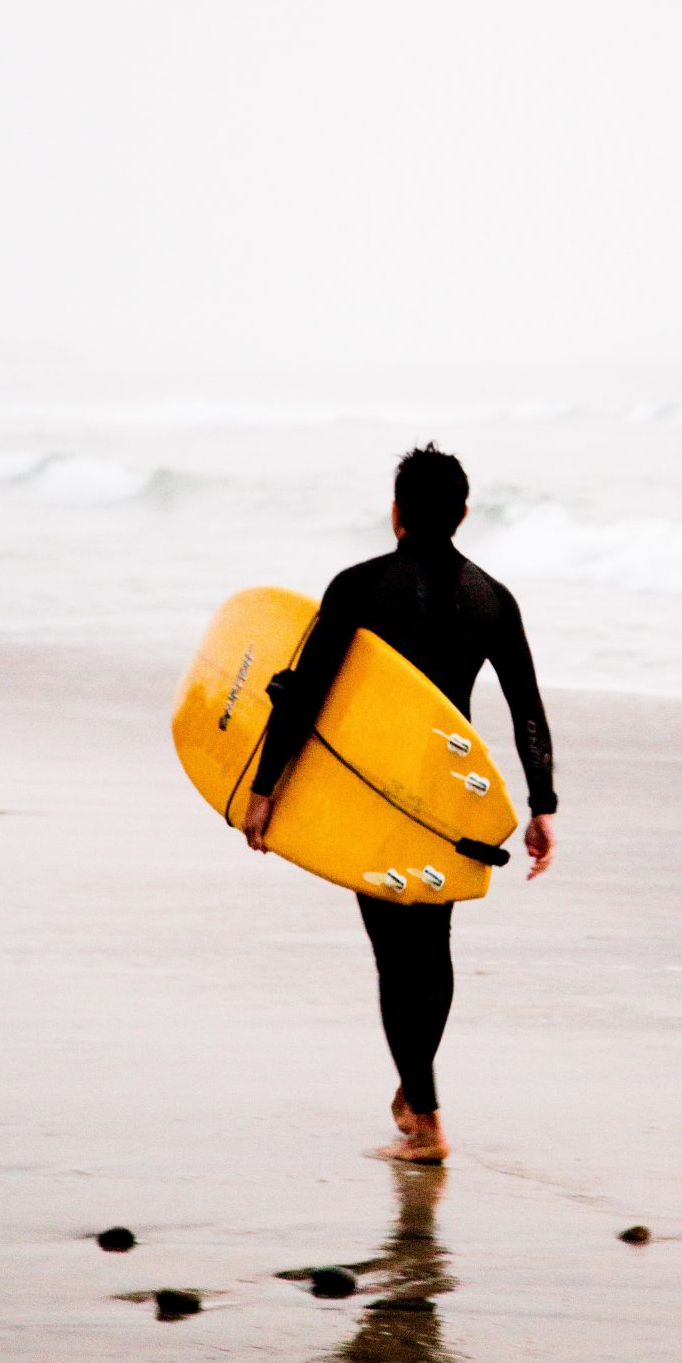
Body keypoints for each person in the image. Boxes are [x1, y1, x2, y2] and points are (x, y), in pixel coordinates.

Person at [241, 444, 558, 1165]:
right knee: (432, 948)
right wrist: (542, 804)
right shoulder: (493, 599)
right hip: (448, 796)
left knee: (393, 956)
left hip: (374, 792)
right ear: (464, 515)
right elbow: (526, 710)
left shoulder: (357, 586)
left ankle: (426, 1121)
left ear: (396, 513)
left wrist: (264, 789)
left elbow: (304, 690)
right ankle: (415, 1096)